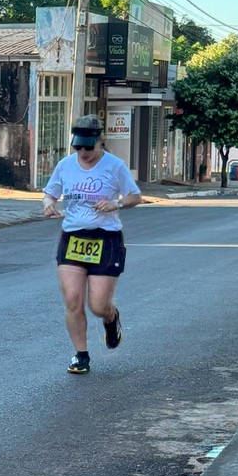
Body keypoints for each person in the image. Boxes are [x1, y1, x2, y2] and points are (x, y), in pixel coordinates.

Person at [42, 113, 143, 374]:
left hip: (105, 239)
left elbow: (135, 196)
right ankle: (81, 355)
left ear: (100, 142)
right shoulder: (65, 165)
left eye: (89, 147)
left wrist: (116, 203)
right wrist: (49, 205)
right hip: (73, 238)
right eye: (78, 147)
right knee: (73, 300)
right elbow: (50, 193)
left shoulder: (114, 166)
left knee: (97, 305)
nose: (83, 152)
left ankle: (111, 318)